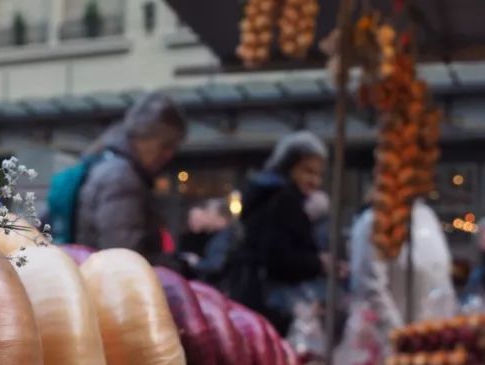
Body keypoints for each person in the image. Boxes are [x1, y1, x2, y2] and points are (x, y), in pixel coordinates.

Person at [71, 92, 187, 264]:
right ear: (147, 138)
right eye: (166, 146)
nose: (169, 155)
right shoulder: (122, 178)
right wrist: (174, 266)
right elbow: (123, 258)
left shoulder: (107, 162)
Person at [231, 131, 329, 333]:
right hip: (273, 310)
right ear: (288, 168)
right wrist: (319, 263)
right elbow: (279, 258)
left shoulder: (268, 197)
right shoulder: (283, 201)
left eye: (318, 174)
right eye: (307, 171)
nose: (315, 181)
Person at [349, 197, 455, 334]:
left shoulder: (427, 215)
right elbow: (370, 286)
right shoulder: (373, 221)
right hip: (392, 333)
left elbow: (442, 277)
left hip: (431, 332)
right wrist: (396, 332)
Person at [179, 199, 241, 288]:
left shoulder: (223, 239)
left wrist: (196, 263)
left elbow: (215, 265)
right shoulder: (221, 236)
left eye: (209, 214)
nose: (206, 218)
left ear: (221, 218)